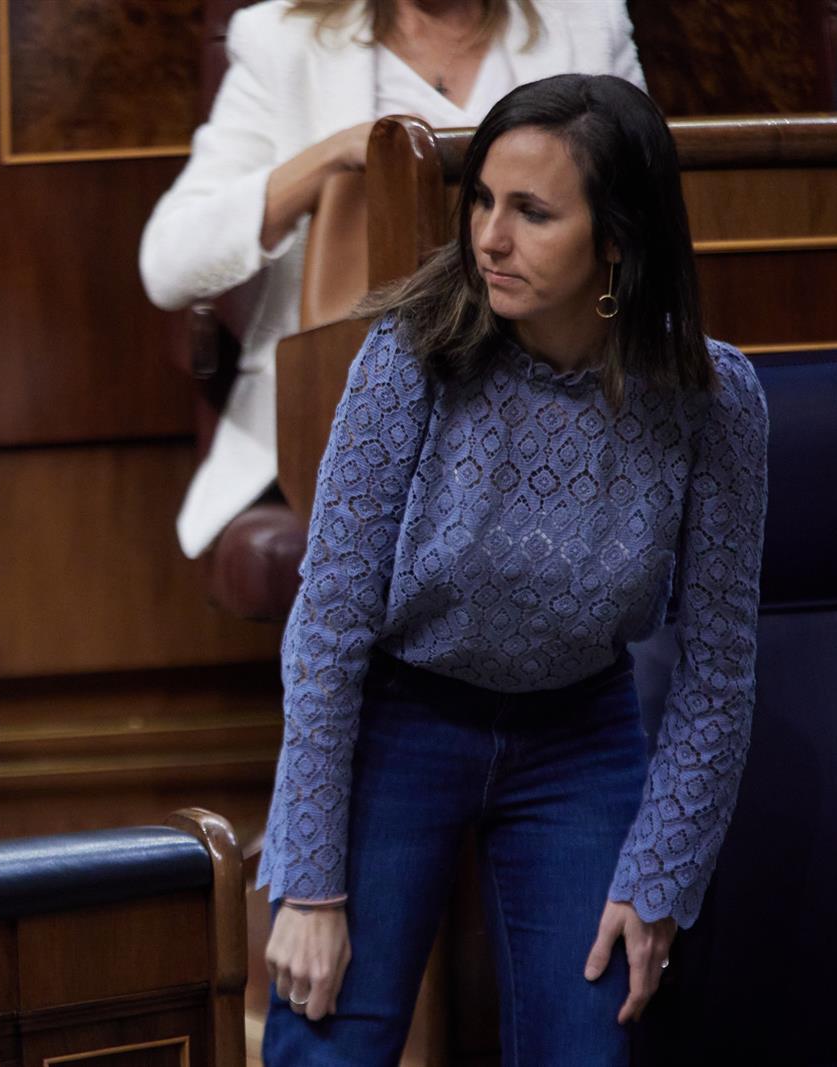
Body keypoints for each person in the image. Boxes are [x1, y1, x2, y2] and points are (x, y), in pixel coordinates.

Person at [258, 74, 767, 1065]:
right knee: (327, 1037)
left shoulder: (715, 400)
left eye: (532, 212)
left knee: (591, 1042)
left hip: (579, 733)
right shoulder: (408, 355)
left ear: (614, 239)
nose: (489, 237)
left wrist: (660, 877)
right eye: (483, 201)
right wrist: (310, 881)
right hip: (400, 717)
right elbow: (327, 624)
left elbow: (718, 672)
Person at [139, 0, 645, 559]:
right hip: (337, 415)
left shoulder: (587, 21)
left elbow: (653, 210)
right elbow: (169, 263)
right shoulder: (281, 38)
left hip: (571, 395)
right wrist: (329, 158)